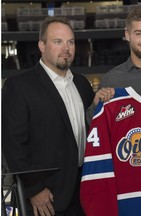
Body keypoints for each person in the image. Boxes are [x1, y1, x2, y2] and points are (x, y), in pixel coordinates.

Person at [2, 16, 94, 216]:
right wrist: (33, 189)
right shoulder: (19, 86)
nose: (66, 48)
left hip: (83, 191)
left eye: (70, 42)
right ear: (42, 45)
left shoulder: (82, 85)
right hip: (46, 197)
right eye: (58, 41)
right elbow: (13, 144)